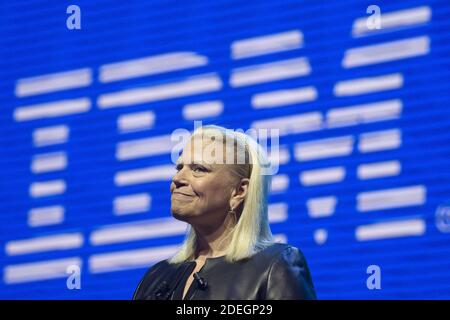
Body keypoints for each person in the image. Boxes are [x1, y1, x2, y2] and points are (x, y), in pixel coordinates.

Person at [133, 125, 317, 300]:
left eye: (198, 169)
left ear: (239, 191)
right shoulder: (155, 277)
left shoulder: (273, 267)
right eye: (179, 167)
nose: (177, 178)